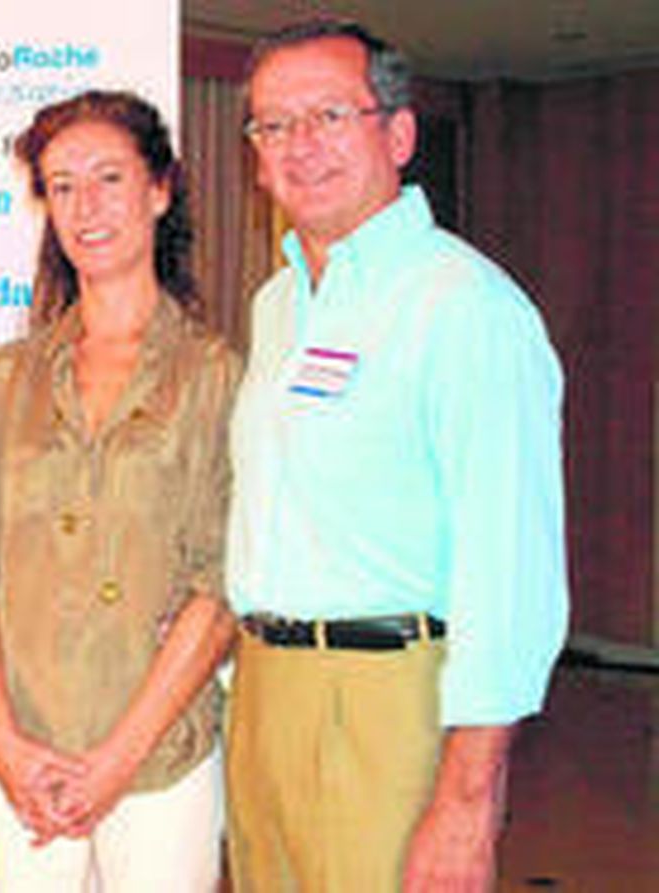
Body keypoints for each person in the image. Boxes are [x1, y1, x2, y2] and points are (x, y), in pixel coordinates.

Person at [225, 20, 568, 892]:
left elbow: (511, 568)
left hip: (394, 703)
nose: (300, 146)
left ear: (399, 134)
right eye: (274, 124)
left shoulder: (465, 306)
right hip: (267, 697)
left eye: (331, 115)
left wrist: (468, 796)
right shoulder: (277, 306)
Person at [0, 90, 240, 890]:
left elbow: (221, 584)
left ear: (161, 188)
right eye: (62, 185)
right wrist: (2, 738)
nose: (86, 207)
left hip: (159, 757)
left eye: (108, 177)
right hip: (18, 757)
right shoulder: (6, 378)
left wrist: (115, 760)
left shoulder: (215, 373)